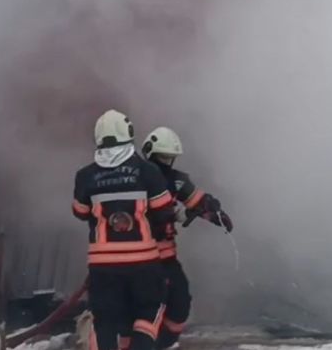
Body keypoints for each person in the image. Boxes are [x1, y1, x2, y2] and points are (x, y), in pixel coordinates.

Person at [72, 110, 175, 350]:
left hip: (103, 266)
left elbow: (79, 211)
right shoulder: (147, 170)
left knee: (104, 320)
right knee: (149, 312)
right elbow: (163, 210)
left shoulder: (85, 176)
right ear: (128, 132)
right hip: (143, 264)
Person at [141, 126, 233, 349]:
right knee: (148, 307)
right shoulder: (137, 178)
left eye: (170, 158)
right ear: (150, 153)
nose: (166, 162)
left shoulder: (175, 180)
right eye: (163, 157)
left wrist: (213, 213)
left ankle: (162, 343)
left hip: (166, 258)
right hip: (140, 257)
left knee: (180, 302)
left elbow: (195, 199)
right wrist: (175, 214)